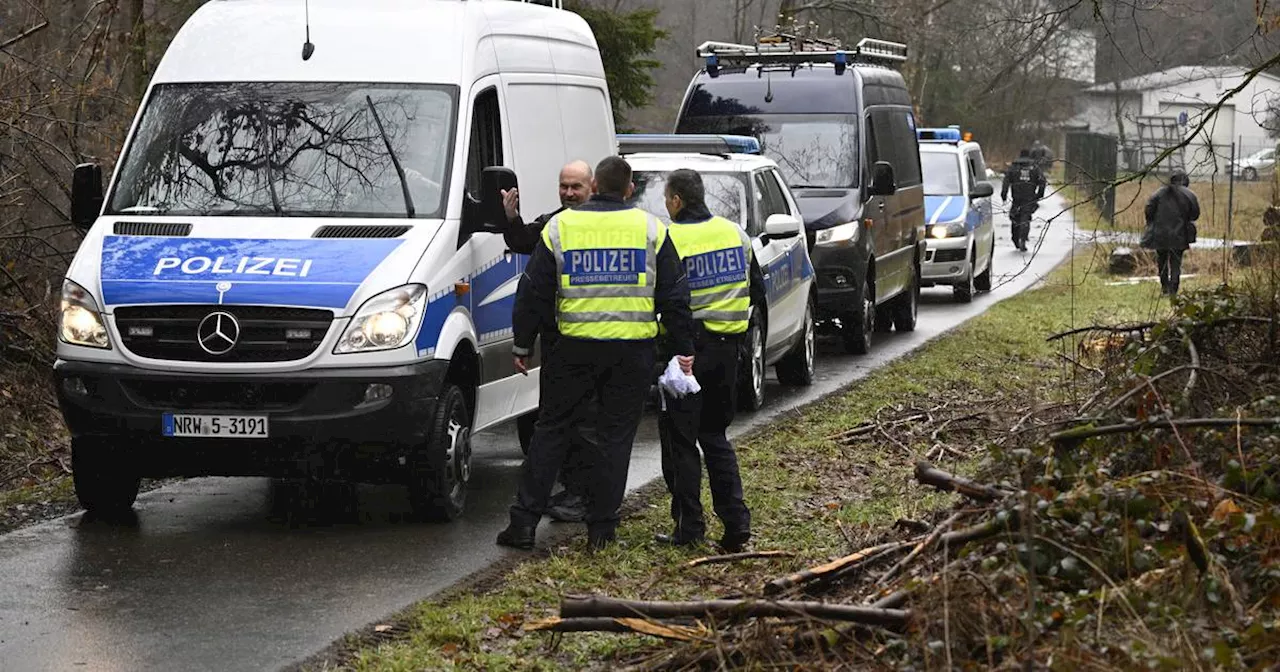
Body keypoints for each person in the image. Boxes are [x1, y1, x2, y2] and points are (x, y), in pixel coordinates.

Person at [497, 156, 695, 551]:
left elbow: (532, 291)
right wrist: (682, 351)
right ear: (627, 190)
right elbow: (675, 296)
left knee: (550, 432)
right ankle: (601, 531)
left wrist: (522, 343)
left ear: (593, 186)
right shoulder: (650, 229)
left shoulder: (561, 226)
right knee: (615, 439)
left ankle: (523, 523)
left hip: (572, 349)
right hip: (631, 352)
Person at [654, 169, 759, 552]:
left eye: (667, 199)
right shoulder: (735, 234)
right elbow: (754, 291)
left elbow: (669, 300)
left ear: (677, 200)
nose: (666, 206)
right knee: (715, 437)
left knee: (680, 442)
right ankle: (736, 524)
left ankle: (689, 526)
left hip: (687, 354)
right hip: (728, 350)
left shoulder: (672, 239)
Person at [501, 160, 597, 523]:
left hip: (602, 343)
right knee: (564, 423)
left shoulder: (612, 223)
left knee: (582, 426)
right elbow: (528, 248)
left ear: (593, 187)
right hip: (563, 342)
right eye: (564, 187)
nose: (569, 193)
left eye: (576, 187)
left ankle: (582, 499)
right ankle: (577, 495)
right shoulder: (556, 224)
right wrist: (511, 219)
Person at [1142, 170, 1200, 296]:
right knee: (1176, 262)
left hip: (1160, 233)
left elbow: (1149, 209)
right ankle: (1173, 289)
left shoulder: (1159, 193)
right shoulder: (1189, 195)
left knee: (1161, 260)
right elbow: (1195, 215)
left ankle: (1164, 288)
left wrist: (1153, 222)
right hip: (1179, 234)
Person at [1001, 149, 1047, 252]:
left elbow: (1006, 181)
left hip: (1016, 198)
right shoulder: (1035, 168)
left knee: (1015, 218)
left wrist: (1004, 195)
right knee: (1025, 218)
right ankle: (1023, 238)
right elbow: (1042, 181)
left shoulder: (1013, 167)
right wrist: (1039, 195)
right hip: (1029, 198)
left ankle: (1015, 238)